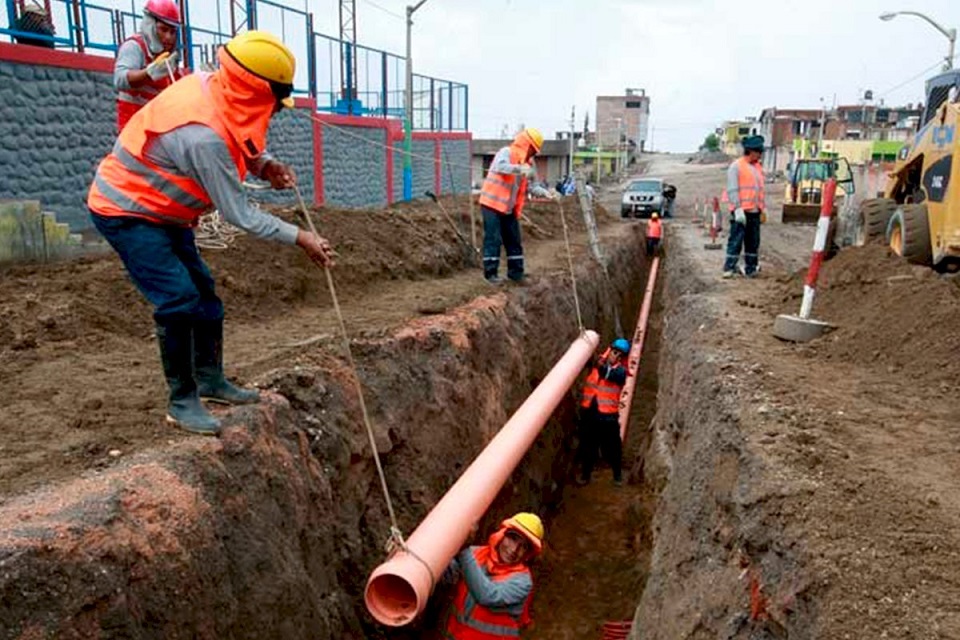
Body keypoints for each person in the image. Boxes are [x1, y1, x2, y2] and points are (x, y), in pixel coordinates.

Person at [87, 30, 334, 435]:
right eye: (275, 102)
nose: (275, 112)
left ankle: (210, 379)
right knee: (178, 298)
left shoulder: (213, 86)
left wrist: (264, 164)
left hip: (165, 213)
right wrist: (301, 236)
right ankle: (182, 401)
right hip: (127, 211)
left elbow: (240, 134)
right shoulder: (203, 136)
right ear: (256, 92)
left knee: (204, 293)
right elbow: (240, 214)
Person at [443, 513, 544, 639]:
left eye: (523, 546)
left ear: (527, 554)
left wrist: (463, 551)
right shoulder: (475, 554)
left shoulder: (522, 582)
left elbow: (488, 596)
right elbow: (448, 576)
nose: (513, 550)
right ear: (502, 534)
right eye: (512, 538)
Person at [478, 128, 551, 284]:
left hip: (509, 207)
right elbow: (500, 167)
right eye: (532, 149)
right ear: (526, 144)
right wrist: (519, 169)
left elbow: (533, 186)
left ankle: (516, 273)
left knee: (514, 239)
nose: (533, 153)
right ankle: (490, 274)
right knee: (493, 239)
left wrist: (545, 193)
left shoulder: (530, 164)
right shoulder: (506, 152)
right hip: (491, 204)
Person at [114, 0, 186, 132]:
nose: (168, 37)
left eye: (172, 32)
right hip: (133, 134)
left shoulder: (168, 58)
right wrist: (149, 73)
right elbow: (120, 79)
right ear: (150, 25)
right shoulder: (134, 47)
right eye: (163, 30)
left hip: (158, 133)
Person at [577, 338, 629, 486]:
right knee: (588, 446)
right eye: (614, 352)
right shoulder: (597, 365)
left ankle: (617, 476)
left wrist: (602, 358)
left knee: (612, 448)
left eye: (619, 354)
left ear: (622, 358)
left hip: (608, 417)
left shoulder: (620, 372)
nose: (616, 356)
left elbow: (604, 372)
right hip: (590, 412)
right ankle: (585, 475)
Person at [723, 135, 766, 278]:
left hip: (754, 211)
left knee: (753, 241)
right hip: (741, 211)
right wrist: (737, 208)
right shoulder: (736, 166)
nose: (760, 156)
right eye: (759, 152)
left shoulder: (757, 167)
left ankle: (751, 267)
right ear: (751, 151)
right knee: (736, 239)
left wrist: (762, 209)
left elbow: (759, 190)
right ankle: (729, 268)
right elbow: (732, 189)